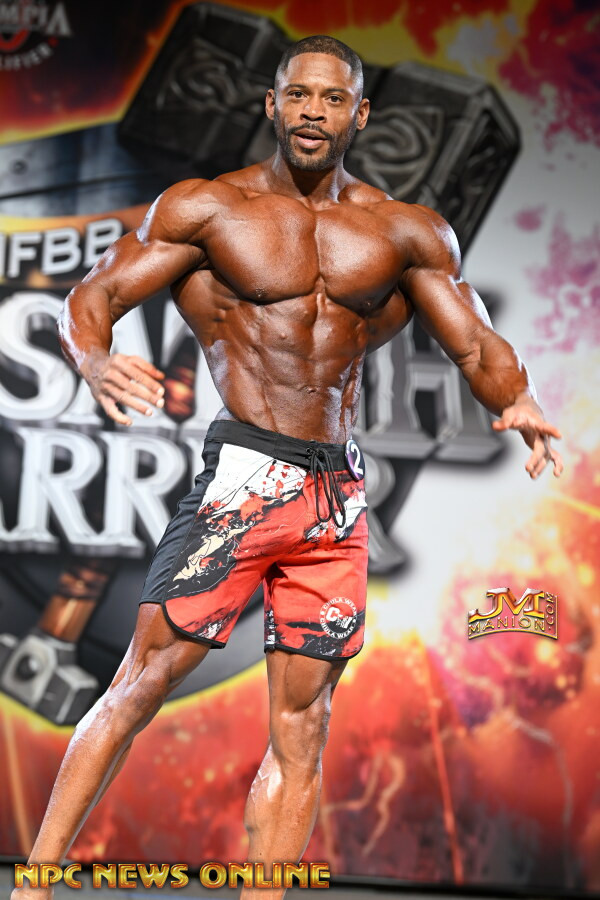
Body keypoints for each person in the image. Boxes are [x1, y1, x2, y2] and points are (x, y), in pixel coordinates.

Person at [12, 34, 563, 900]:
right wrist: (94, 360)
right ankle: (36, 885)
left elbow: (473, 337)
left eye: (332, 98)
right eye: (298, 95)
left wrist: (517, 398)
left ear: (360, 114)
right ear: (271, 104)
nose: (313, 112)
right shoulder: (208, 209)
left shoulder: (405, 230)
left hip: (335, 497)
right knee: (141, 682)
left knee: (305, 722)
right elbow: (97, 294)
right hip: (243, 477)